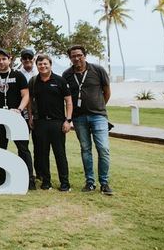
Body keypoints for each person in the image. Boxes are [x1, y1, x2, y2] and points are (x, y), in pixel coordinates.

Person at [62, 45, 113, 195]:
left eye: (79, 55)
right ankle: (90, 182)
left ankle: (104, 182)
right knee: (85, 150)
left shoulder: (97, 70)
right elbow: (67, 98)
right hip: (79, 118)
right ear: (70, 58)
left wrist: (99, 106)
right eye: (73, 56)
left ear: (85, 55)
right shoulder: (67, 74)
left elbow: (107, 91)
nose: (76, 58)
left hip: (98, 116)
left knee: (103, 149)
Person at [0, 48, 35, 190]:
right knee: (1, 147)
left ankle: (29, 179)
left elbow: (26, 95)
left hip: (16, 117)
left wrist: (19, 109)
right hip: (0, 118)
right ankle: (2, 177)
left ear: (9, 59)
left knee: (23, 148)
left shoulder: (18, 76)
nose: (1, 62)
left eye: (4, 59)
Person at [28, 54, 72, 191]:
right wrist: (30, 117)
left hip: (57, 123)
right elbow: (30, 101)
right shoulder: (34, 82)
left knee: (60, 154)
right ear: (37, 66)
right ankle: (46, 182)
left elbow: (69, 102)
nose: (43, 66)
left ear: (50, 64)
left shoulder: (60, 80)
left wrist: (68, 120)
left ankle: (65, 183)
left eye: (45, 64)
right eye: (40, 64)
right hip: (40, 122)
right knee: (42, 154)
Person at [18, 48, 41, 180]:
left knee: (39, 146)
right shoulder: (18, 74)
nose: (27, 60)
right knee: (23, 146)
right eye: (24, 58)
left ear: (33, 59)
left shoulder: (39, 73)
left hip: (37, 115)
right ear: (21, 60)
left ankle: (40, 173)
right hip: (23, 115)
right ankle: (26, 172)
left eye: (29, 58)